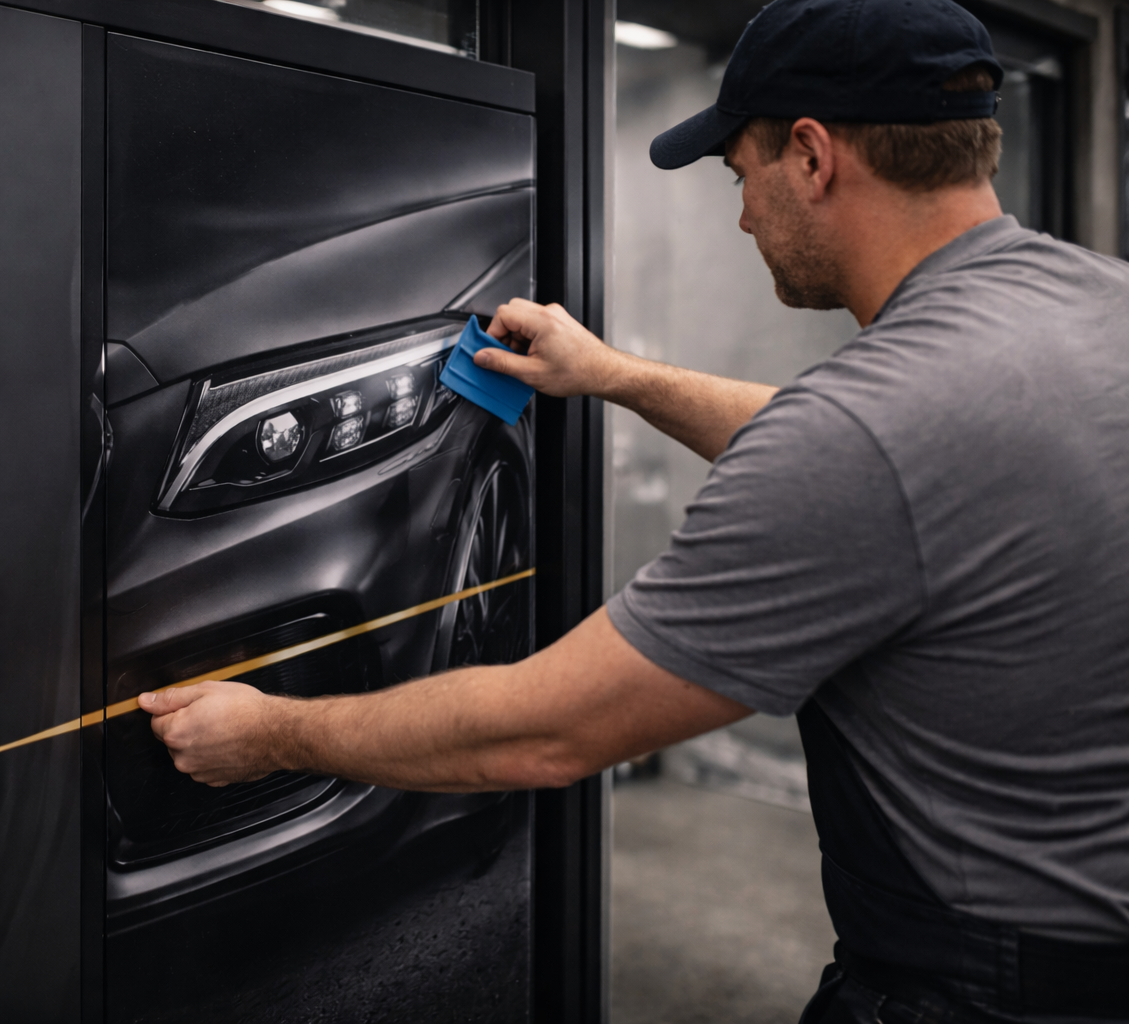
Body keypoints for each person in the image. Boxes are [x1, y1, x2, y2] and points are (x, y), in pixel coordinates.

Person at [139, 0, 1129, 1018]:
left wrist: (270, 732)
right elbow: (890, 457)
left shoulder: (864, 435)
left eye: (739, 176)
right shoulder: (1096, 308)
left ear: (812, 156)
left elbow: (550, 733)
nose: (743, 218)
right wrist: (614, 375)